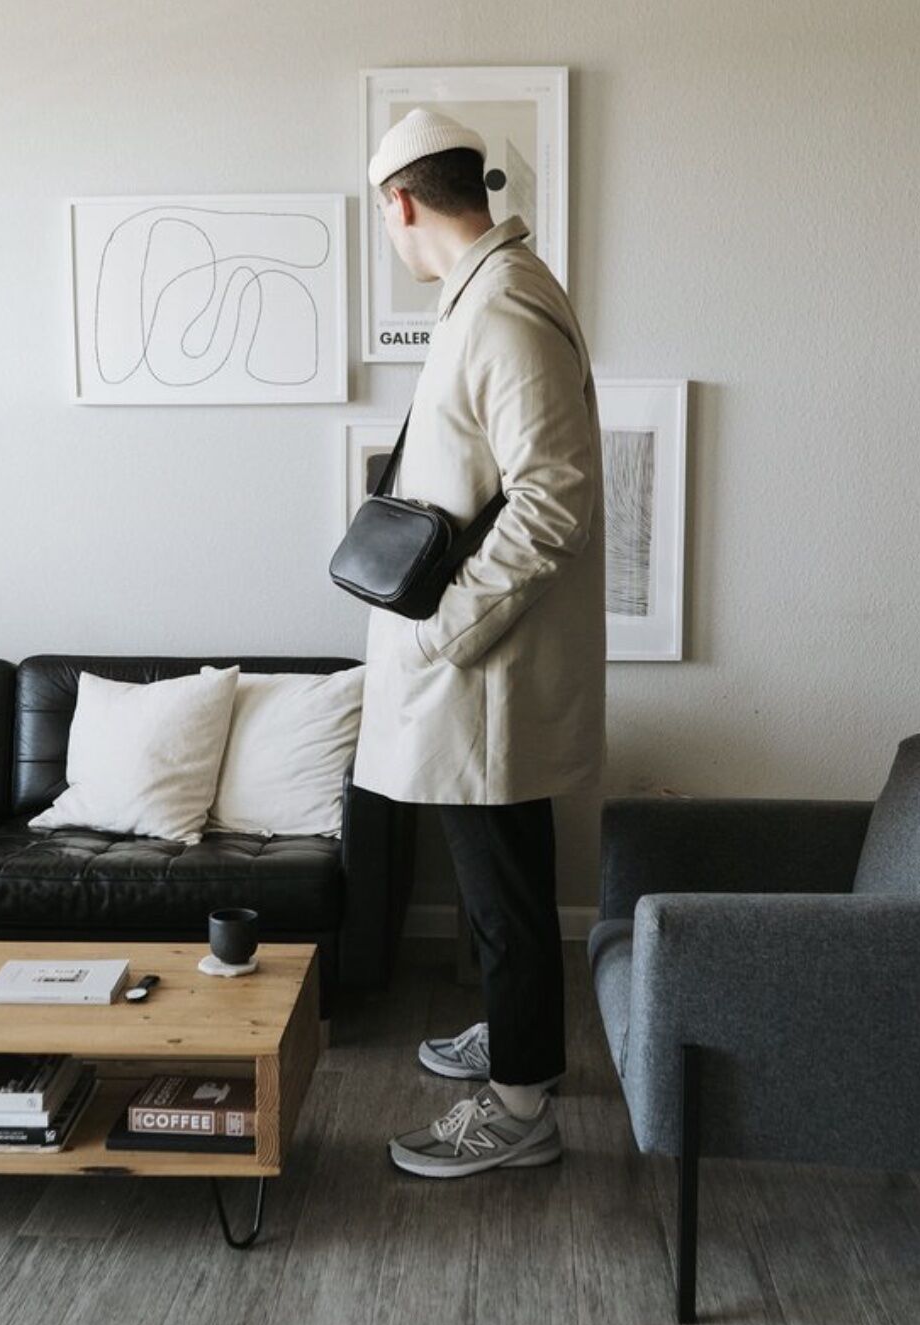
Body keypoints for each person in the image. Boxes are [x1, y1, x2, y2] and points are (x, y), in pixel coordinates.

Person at [352, 108, 607, 1178]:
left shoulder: (501, 308)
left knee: (500, 890)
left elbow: (556, 496)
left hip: (483, 670)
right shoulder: (491, 296)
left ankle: (519, 1110)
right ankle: (519, 1045)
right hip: (477, 668)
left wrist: (451, 630)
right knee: (499, 881)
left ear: (400, 203)